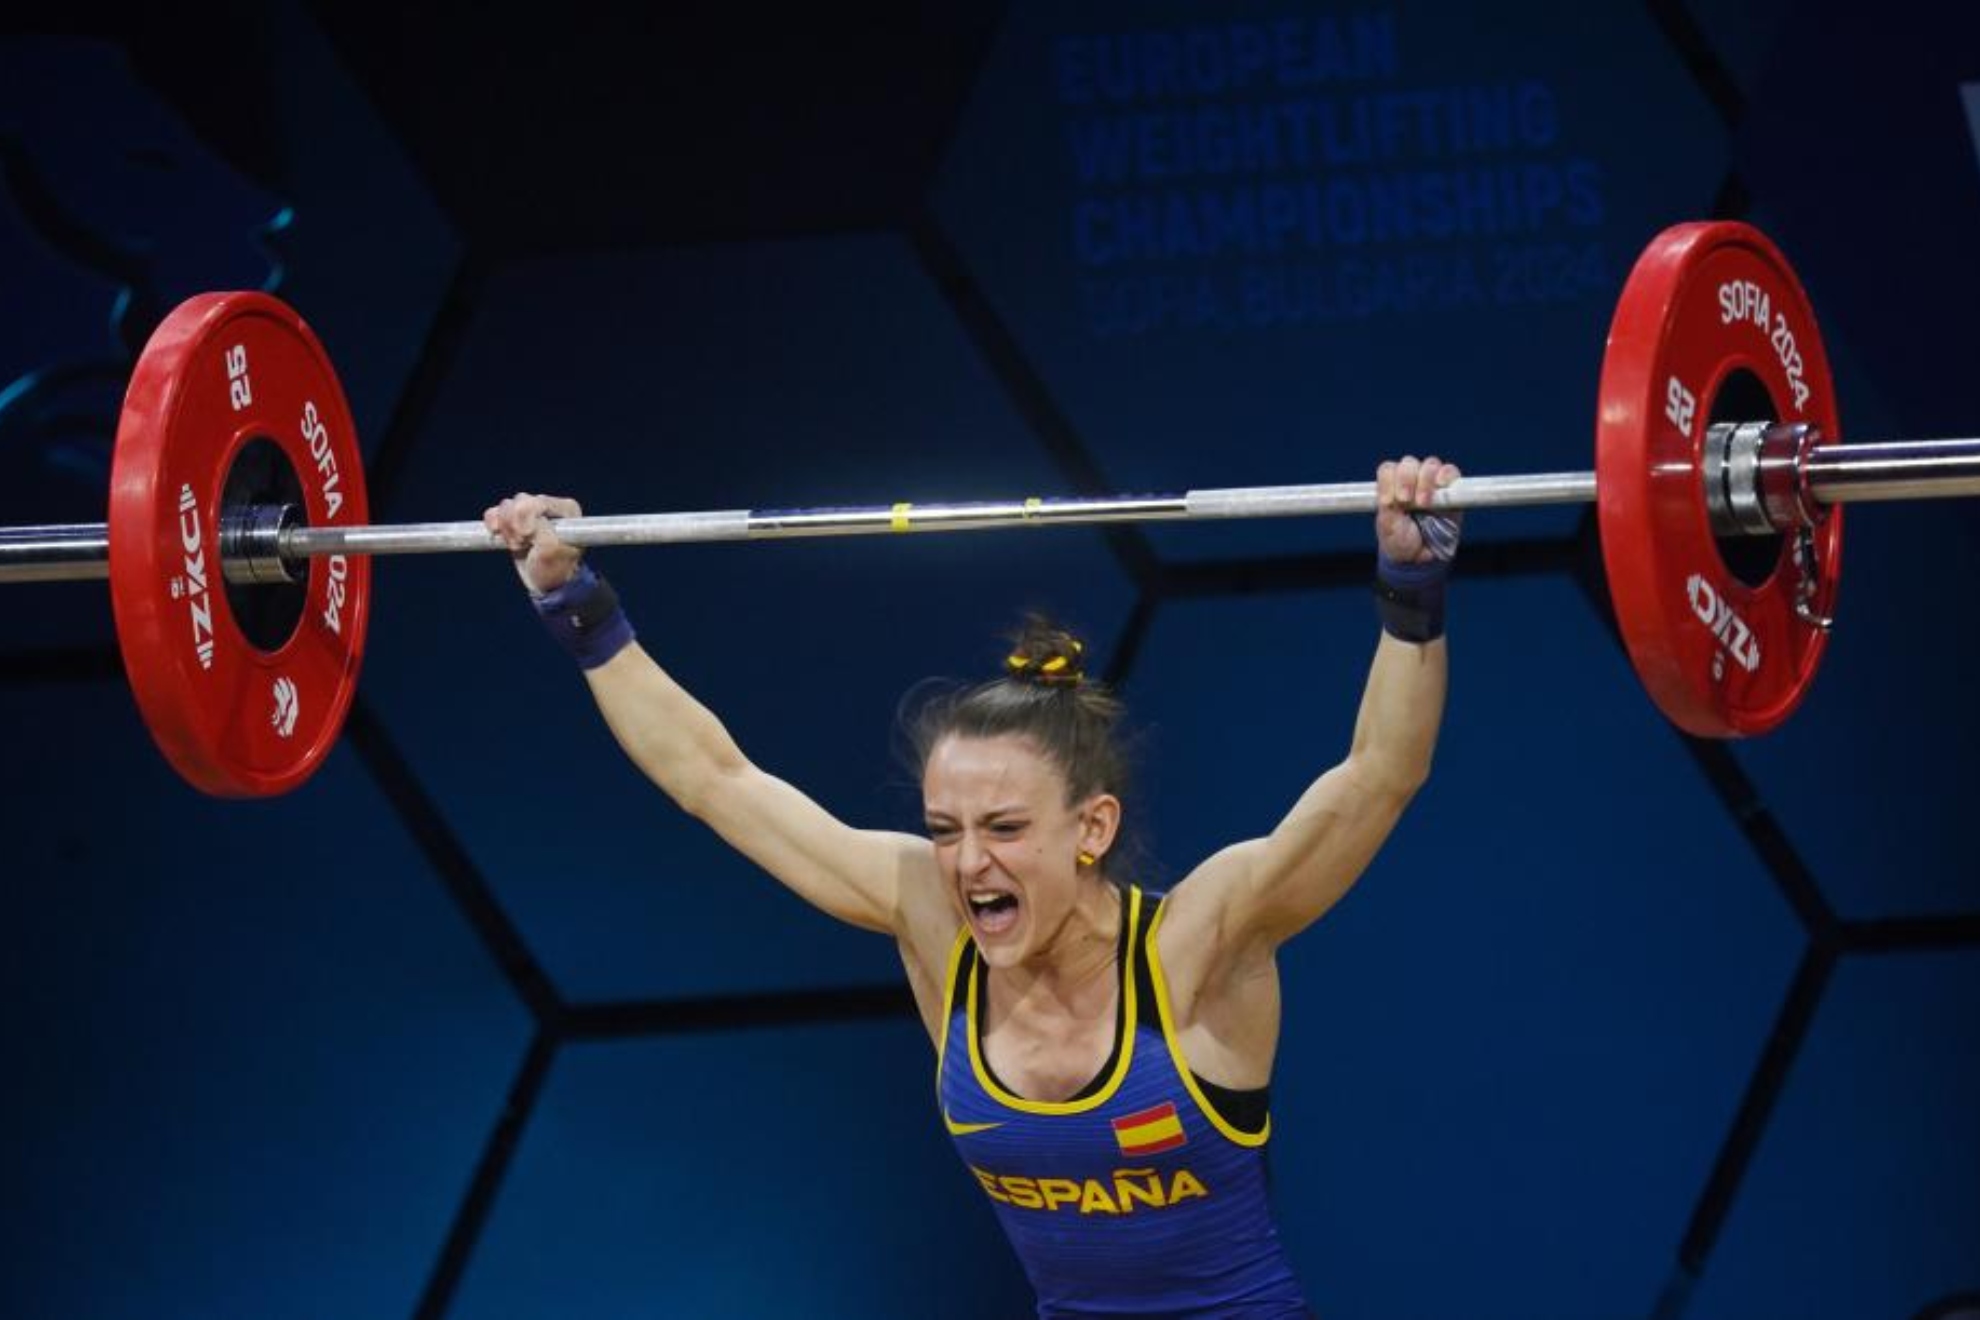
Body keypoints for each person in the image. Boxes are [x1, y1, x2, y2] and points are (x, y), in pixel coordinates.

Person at [484, 455, 1460, 1319]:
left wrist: (1410, 584)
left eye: (1003, 829)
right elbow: (716, 781)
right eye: (945, 829)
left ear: (1094, 828)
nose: (967, 862)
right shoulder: (933, 924)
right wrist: (577, 606)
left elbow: (1380, 776)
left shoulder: (1197, 946)